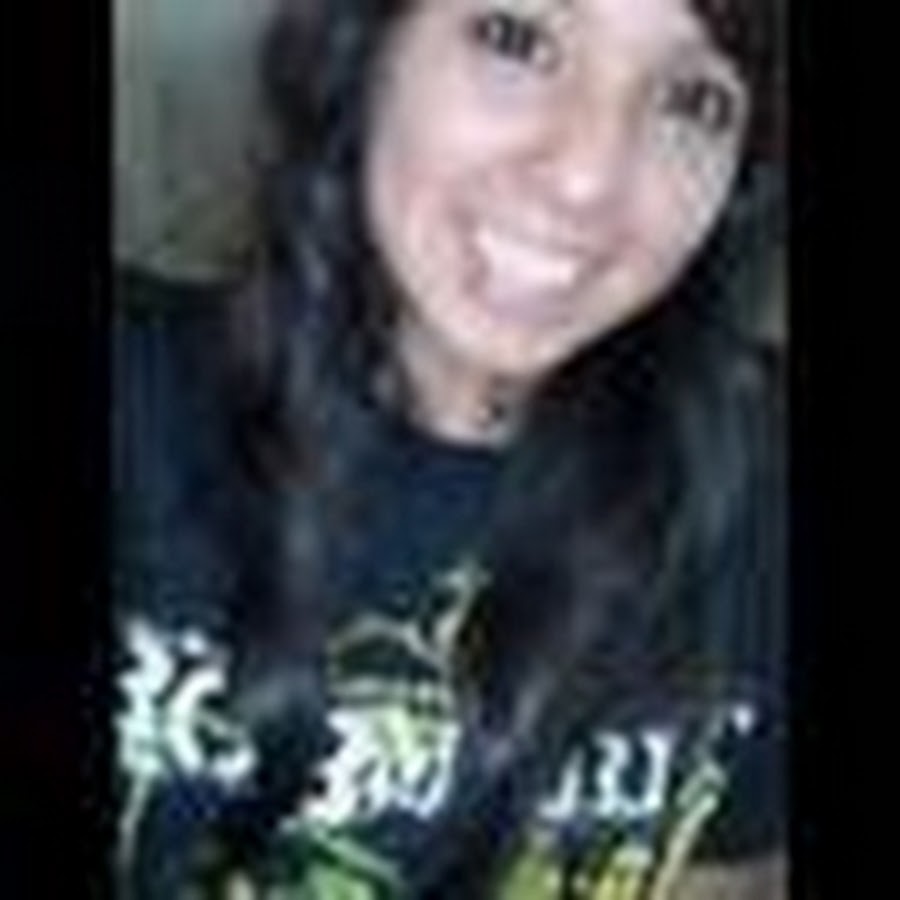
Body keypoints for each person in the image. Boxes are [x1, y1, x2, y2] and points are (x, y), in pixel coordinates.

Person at [112, 0, 786, 897]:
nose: (586, 178)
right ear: (366, 45)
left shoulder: (756, 500)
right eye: (517, 39)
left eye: (695, 101)